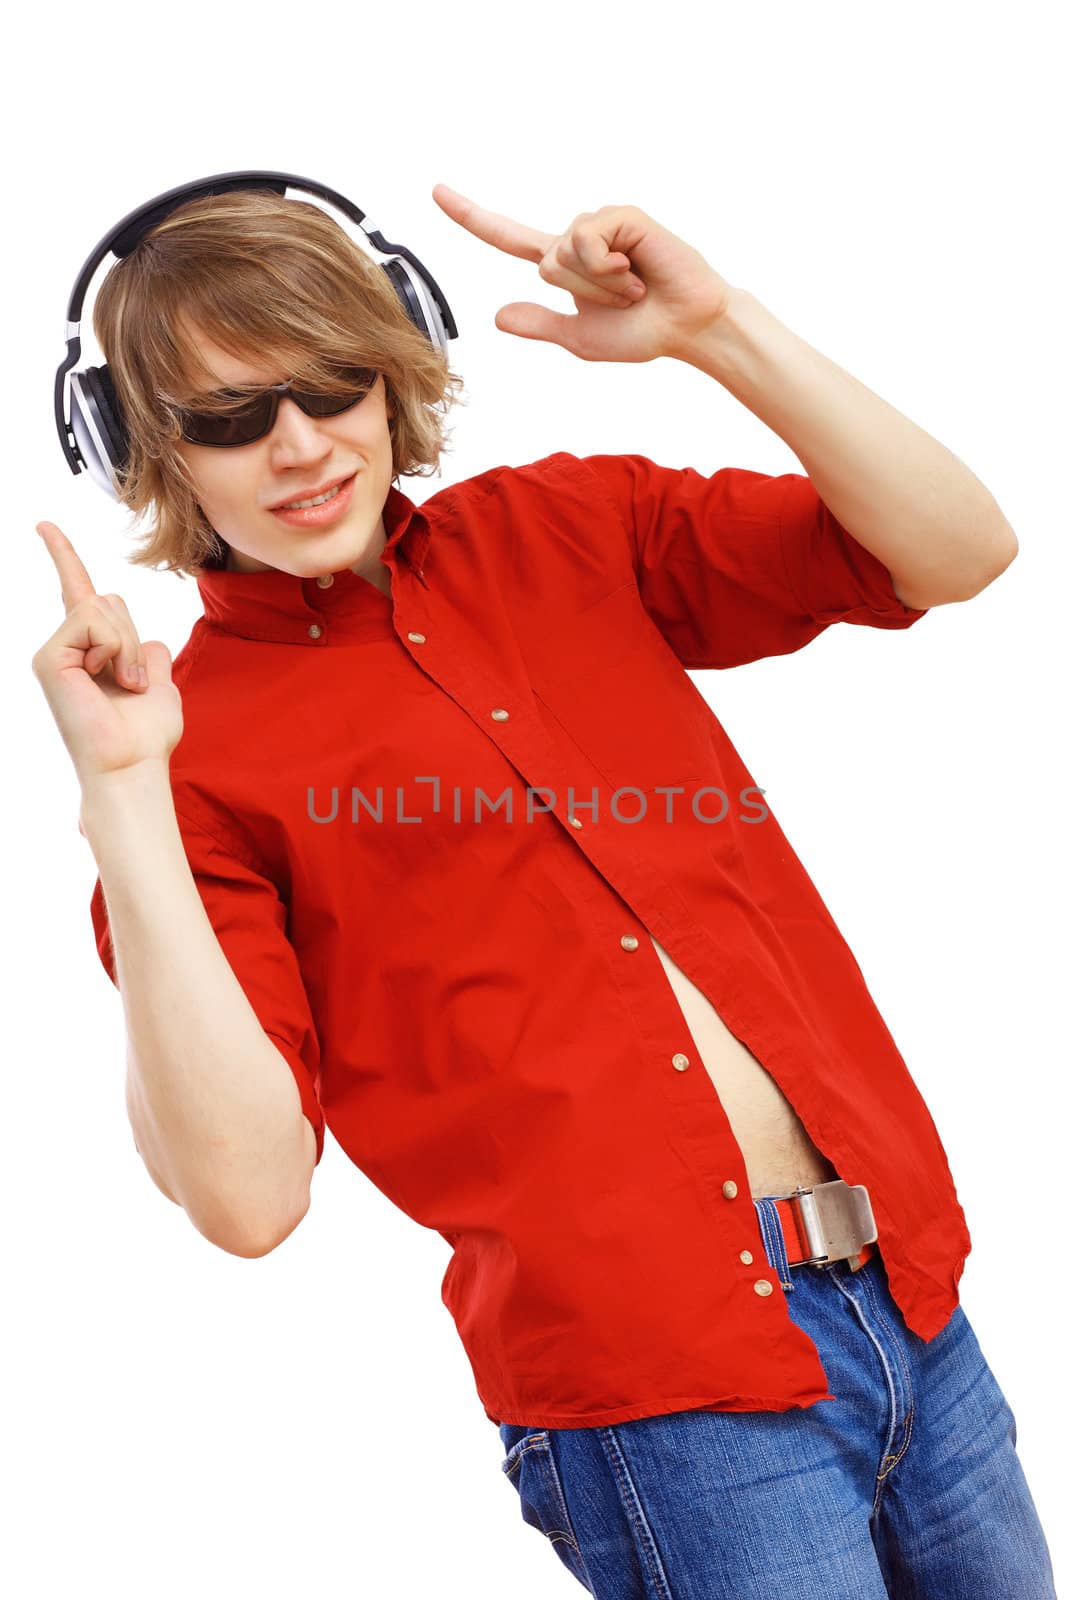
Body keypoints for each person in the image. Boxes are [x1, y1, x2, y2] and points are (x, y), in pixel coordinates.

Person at [32, 180, 1056, 1599]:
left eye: (331, 382)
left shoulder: (574, 525)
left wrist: (720, 332)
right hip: (673, 1405)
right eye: (227, 415)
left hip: (915, 1307)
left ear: (394, 361)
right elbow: (247, 1197)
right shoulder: (191, 766)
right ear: (144, 449)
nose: (299, 444)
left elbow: (959, 551)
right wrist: (122, 800)